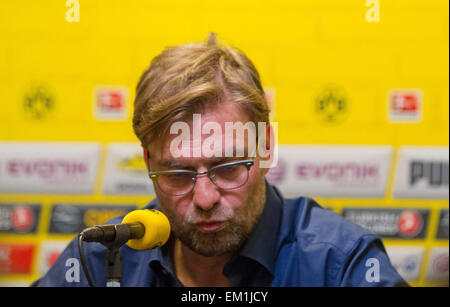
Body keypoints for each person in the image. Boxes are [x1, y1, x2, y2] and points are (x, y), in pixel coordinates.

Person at [32, 33, 408, 287]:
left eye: (227, 167)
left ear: (265, 148)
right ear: (148, 162)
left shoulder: (340, 264)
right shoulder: (101, 260)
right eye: (179, 173)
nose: (205, 198)